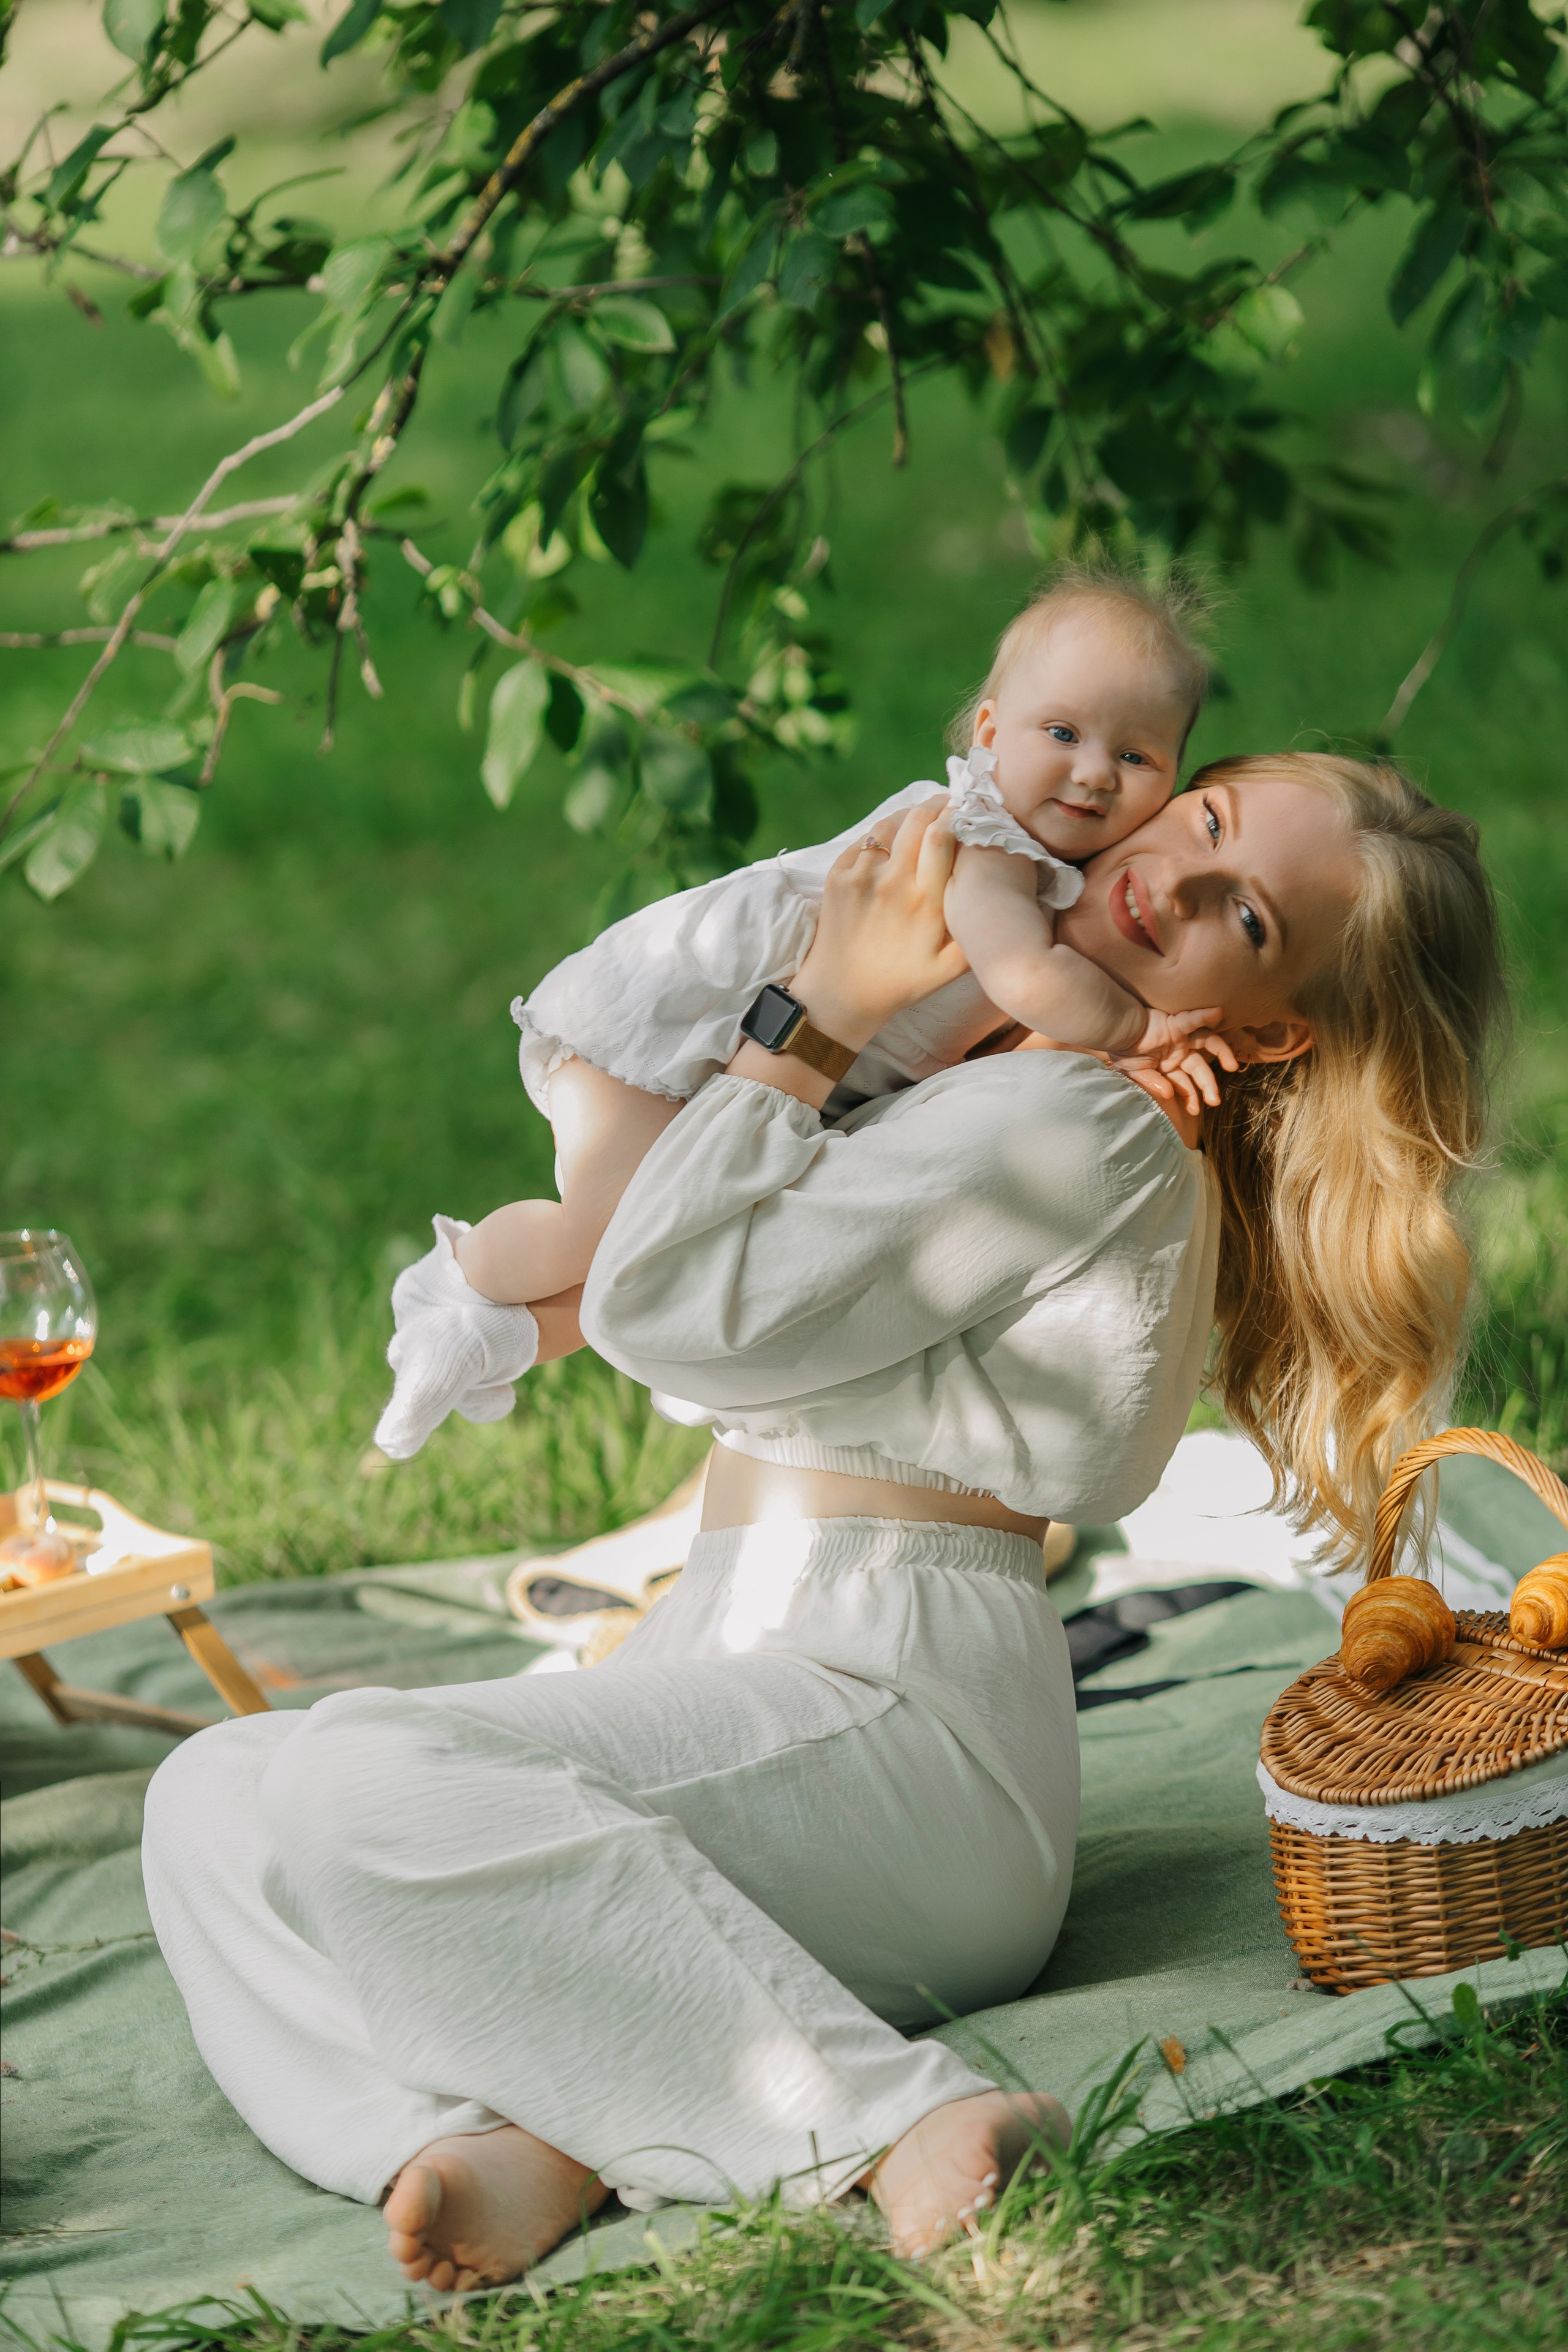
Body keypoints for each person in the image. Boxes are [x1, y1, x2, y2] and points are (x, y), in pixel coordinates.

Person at [141, 750, 1504, 2288]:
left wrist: (814, 1015)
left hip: (900, 1734)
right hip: (751, 1656)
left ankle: (885, 2123)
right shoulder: (1012, 1064)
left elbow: (664, 1305)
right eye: (1201, 819)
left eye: (1241, 915)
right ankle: (500, 2131)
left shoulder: (1081, 1124)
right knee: (213, 1792)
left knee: (363, 1779)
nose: (1167, 882)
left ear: (1265, 1029)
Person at [372, 564, 1232, 1461]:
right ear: (989, 733)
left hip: (759, 1065)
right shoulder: (990, 844)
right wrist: (1140, 1028)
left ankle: (498, 1339)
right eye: (1063, 734)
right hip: (671, 1035)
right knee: (609, 1232)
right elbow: (1024, 976)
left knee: (653, 1256)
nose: (1094, 774)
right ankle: (456, 1286)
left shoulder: (1061, 876)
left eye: (1136, 758)